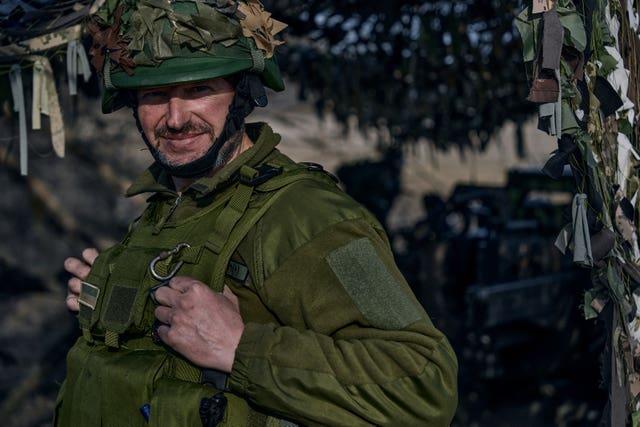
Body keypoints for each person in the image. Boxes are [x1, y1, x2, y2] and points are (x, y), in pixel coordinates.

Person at [56, 1, 458, 425]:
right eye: (154, 95)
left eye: (199, 89)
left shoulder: (306, 214)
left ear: (243, 94)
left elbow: (424, 386)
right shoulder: (170, 203)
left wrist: (239, 346)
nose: (174, 119)